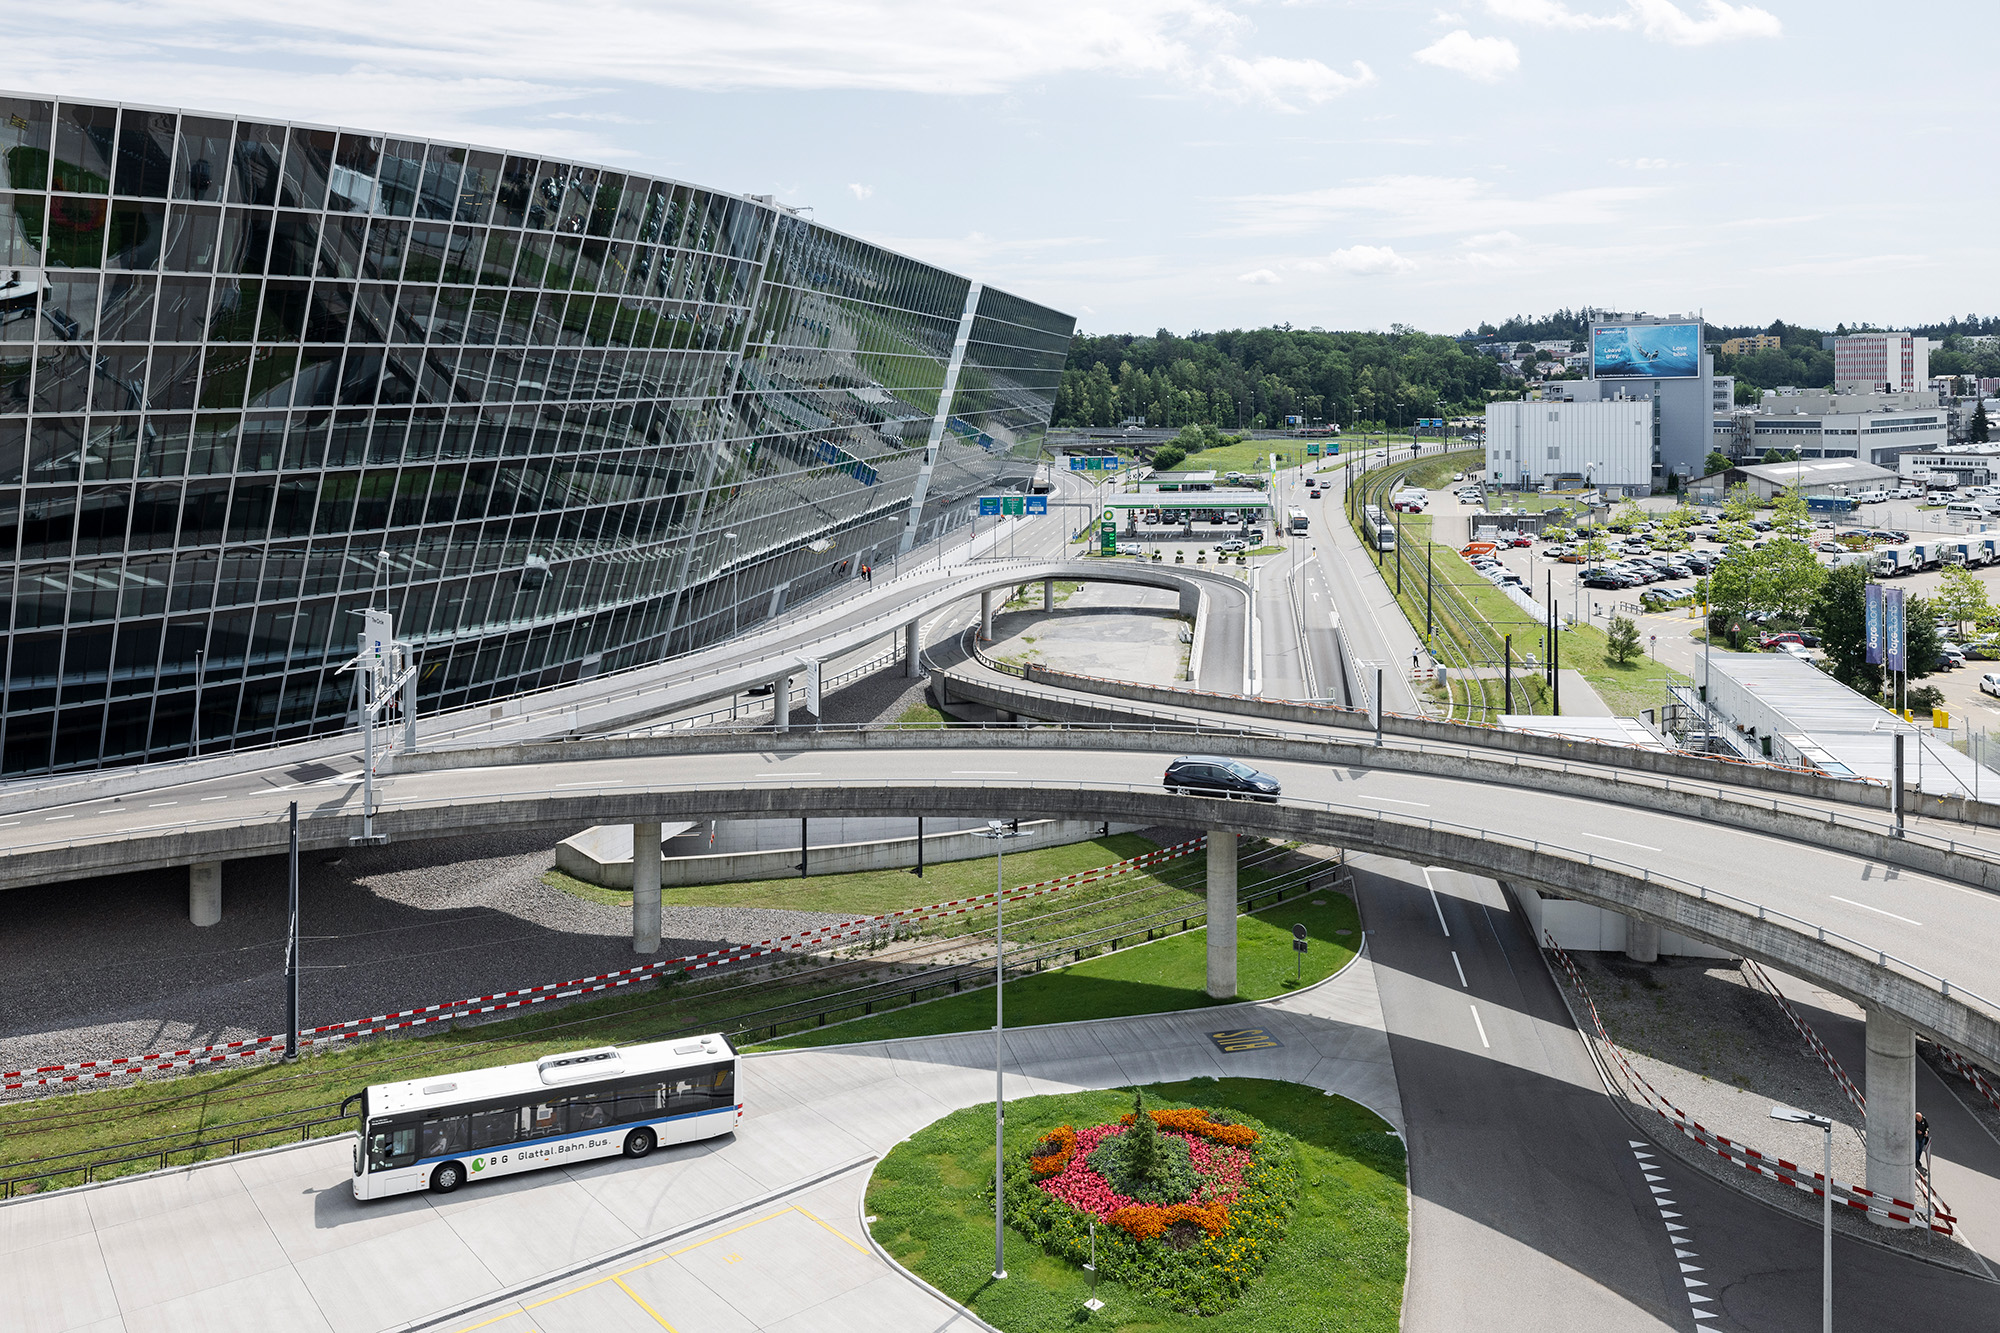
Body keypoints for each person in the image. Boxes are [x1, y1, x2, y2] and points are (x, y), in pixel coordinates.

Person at [1915, 1111, 1930, 1178]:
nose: (1920, 1120)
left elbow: (1927, 1126)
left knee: (1920, 1149)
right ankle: (1915, 1160)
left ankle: (1918, 1160)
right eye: (1919, 1118)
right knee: (1917, 1149)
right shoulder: (1913, 1121)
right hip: (1916, 1137)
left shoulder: (1923, 1119)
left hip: (1922, 1137)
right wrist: (1916, 1131)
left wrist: (1926, 1131)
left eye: (1920, 1118)